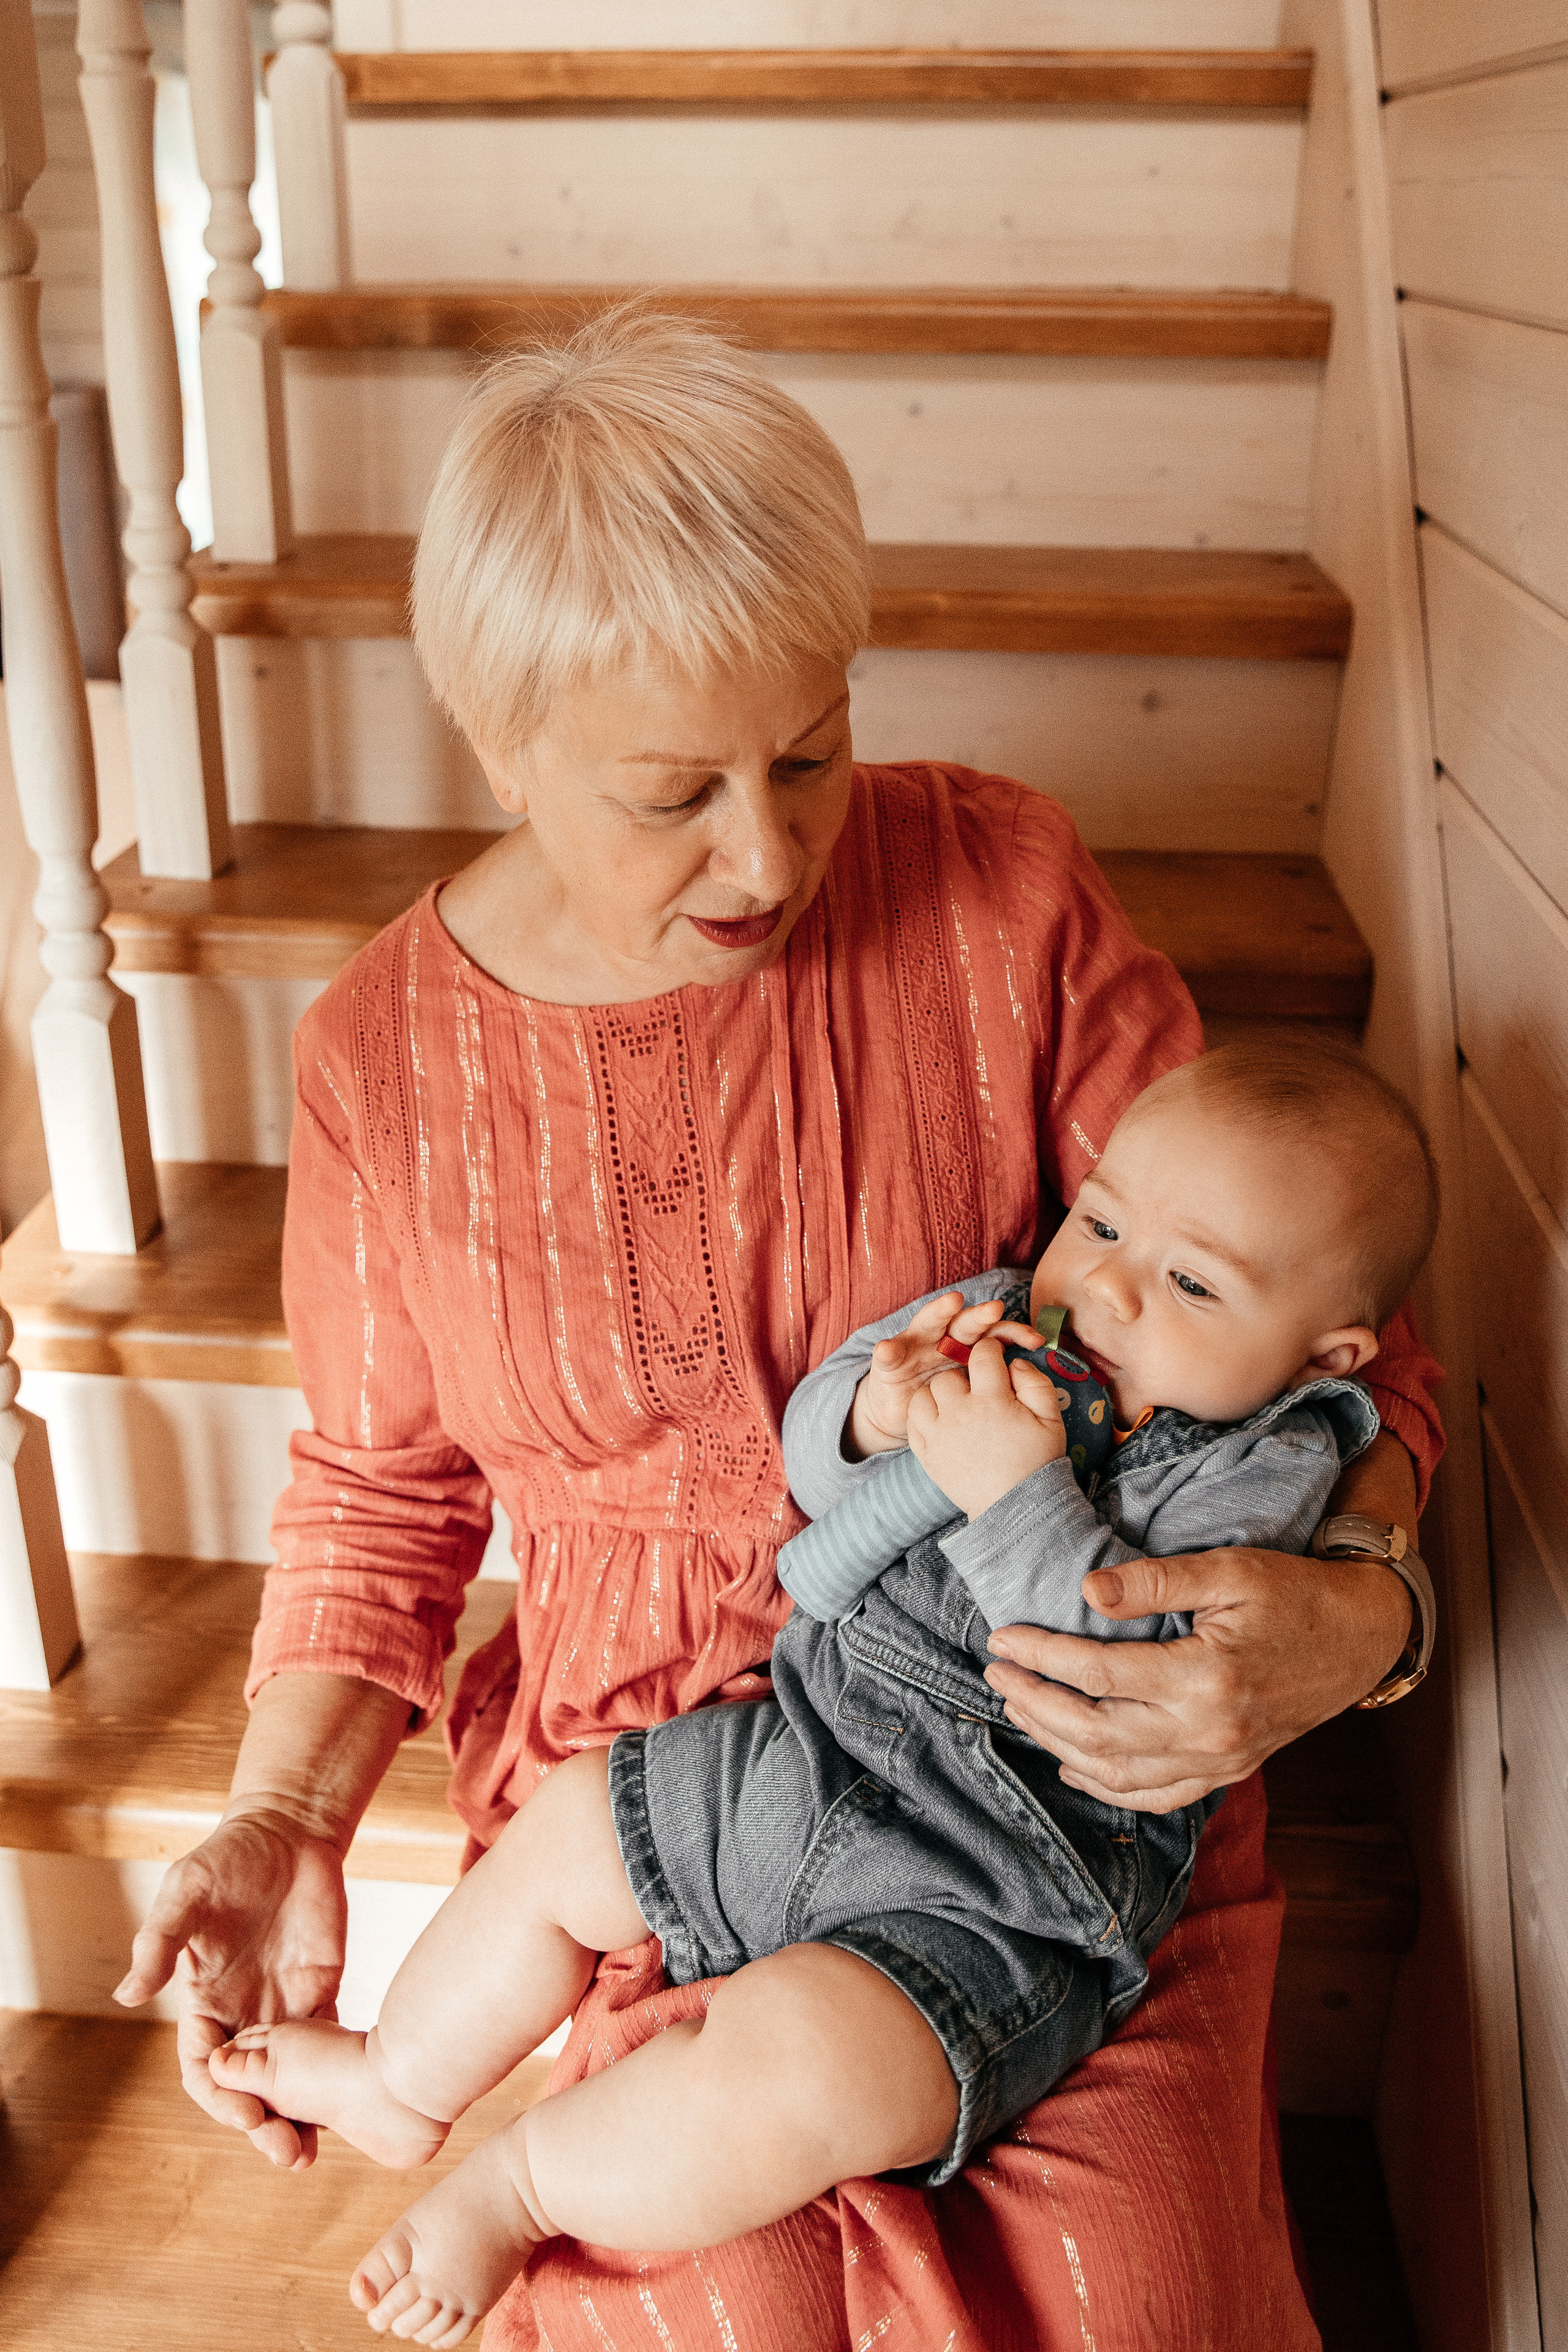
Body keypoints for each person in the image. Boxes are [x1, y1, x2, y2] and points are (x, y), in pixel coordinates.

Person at [113, 307, 1443, 2351]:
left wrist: (1353, 1631)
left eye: (809, 752)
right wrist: (283, 1819)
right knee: (714, 2297)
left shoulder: (1001, 885)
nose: (769, 849)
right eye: (676, 791)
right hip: (660, 1771)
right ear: (504, 733)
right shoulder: (385, 1055)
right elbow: (378, 1494)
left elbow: (1326, 1327)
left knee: (1138, 2313)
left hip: (1045, 1759)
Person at [205, 1037, 1439, 2349]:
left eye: (1189, 1281)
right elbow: (817, 1466)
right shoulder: (1011, 1313)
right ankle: (402, 2076)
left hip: (993, 1885)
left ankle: (518, 2189)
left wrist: (1014, 1493)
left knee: (806, 2059)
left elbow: (1134, 1665)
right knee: (573, 1824)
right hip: (802, 1740)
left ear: (1324, 1355)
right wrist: (879, 1418)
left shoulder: (1269, 1461)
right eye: (1102, 1219)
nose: (1109, 1289)